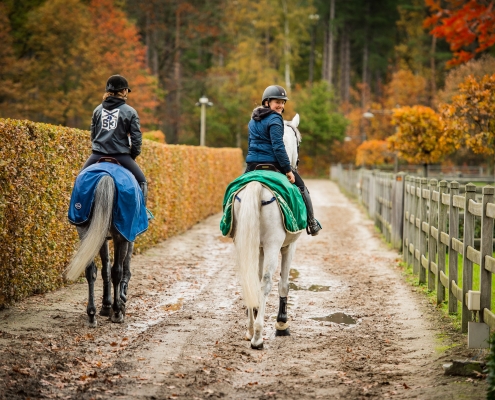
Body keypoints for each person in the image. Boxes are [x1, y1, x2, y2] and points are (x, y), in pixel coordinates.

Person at [245, 85, 322, 236]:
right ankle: (312, 222)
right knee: (302, 188)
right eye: (277, 102)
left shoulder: (253, 120)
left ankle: (230, 224)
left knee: (236, 189)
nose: (280, 105)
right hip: (273, 164)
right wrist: (287, 170)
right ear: (267, 102)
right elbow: (278, 147)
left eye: (283, 102)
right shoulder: (275, 118)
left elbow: (250, 144)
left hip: (252, 165)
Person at [81, 74, 148, 207]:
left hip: (97, 155)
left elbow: (93, 136)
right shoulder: (130, 112)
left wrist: (98, 149)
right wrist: (132, 155)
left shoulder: (97, 110)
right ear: (123, 91)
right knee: (142, 181)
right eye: (126, 91)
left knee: (80, 180)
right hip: (121, 156)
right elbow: (136, 139)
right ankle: (142, 214)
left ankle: (78, 213)